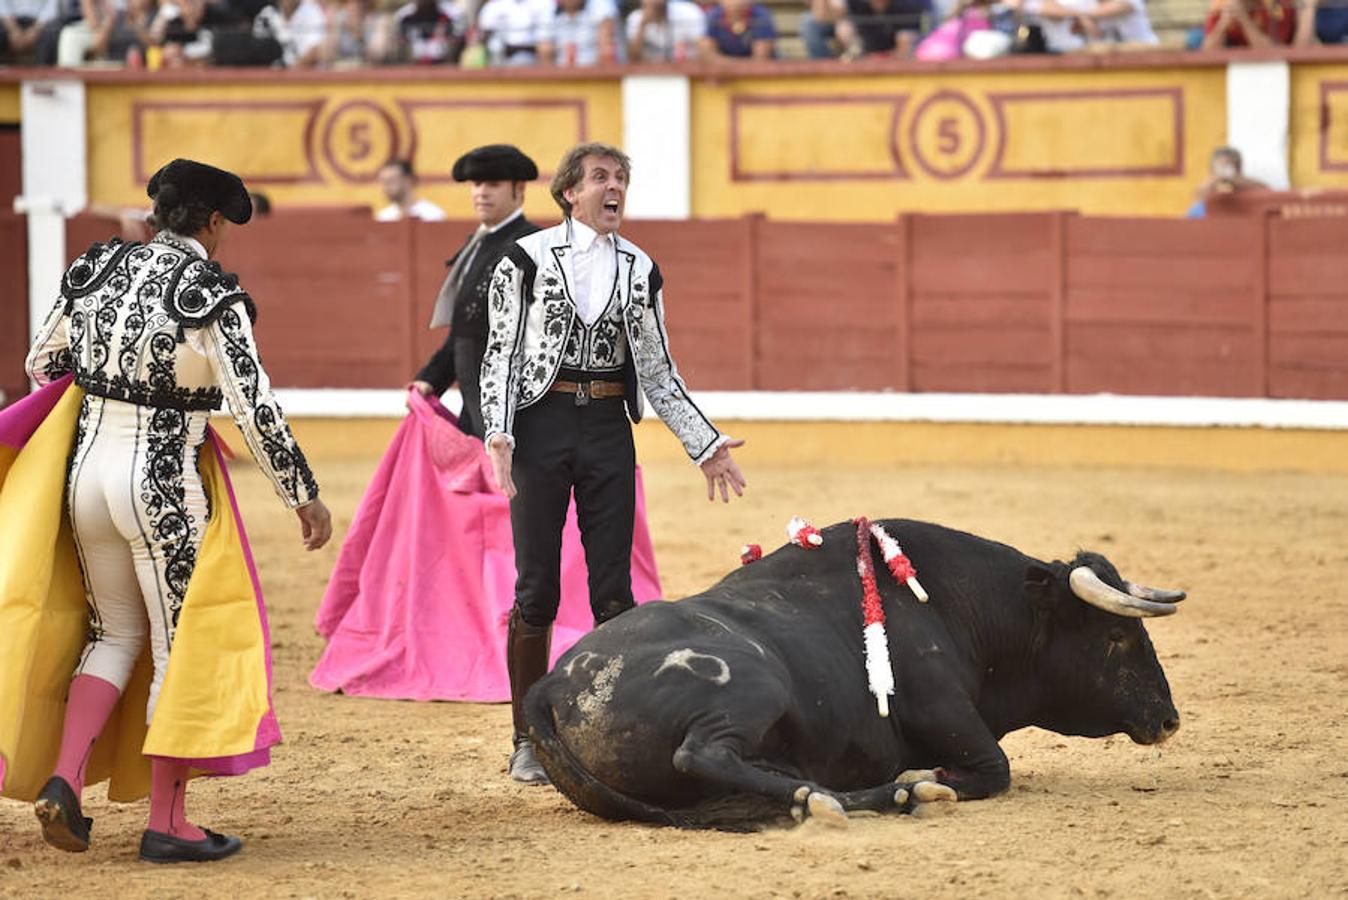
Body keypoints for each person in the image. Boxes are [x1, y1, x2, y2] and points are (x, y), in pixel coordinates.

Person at [19, 158, 331, 863]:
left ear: (159, 210)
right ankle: (168, 822)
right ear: (214, 223)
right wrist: (300, 493)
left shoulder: (95, 269)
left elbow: (43, 363)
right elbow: (253, 407)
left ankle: (64, 779)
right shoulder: (210, 294)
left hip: (85, 476)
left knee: (112, 634)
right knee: (173, 650)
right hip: (160, 486)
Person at [479, 141, 747, 784]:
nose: (614, 187)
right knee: (536, 589)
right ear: (570, 190)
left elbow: (656, 369)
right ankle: (527, 738)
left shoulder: (639, 268)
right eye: (601, 176)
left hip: (604, 428)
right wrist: (499, 433)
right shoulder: (525, 258)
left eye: (621, 177)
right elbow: (500, 355)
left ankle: (615, 732)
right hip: (540, 429)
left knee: (613, 595)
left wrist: (703, 444)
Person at [410, 144, 540, 438]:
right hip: (475, 406)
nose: (482, 192)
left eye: (493, 185)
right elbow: (464, 330)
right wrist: (431, 379)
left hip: (515, 410)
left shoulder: (533, 245)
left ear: (519, 190)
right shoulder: (478, 244)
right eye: (477, 184)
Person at [1186, 145, 1267, 218]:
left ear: (1238, 170)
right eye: (1221, 167)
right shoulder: (1200, 207)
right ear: (1212, 170)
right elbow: (1198, 195)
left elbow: (1265, 191)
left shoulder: (1248, 192)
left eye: (1228, 167)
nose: (1224, 172)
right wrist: (1213, 181)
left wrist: (1238, 180)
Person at [626, 0, 705, 60]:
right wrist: (643, 25)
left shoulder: (687, 11)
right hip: (651, 74)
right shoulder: (635, 18)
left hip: (688, 69)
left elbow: (703, 47)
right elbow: (632, 58)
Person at [374, 158, 449, 222]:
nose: (386, 187)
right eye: (384, 182)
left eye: (392, 181)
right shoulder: (383, 218)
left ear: (408, 180)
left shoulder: (432, 215)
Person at [700, 0, 776, 58]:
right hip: (722, 72)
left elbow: (760, 58)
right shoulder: (713, 16)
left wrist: (725, 65)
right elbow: (707, 55)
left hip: (757, 73)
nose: (737, 2)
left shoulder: (761, 16)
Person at [1201, 0, 1296, 47]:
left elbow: (1276, 55)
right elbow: (1207, 52)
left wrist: (1244, 20)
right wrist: (1223, 25)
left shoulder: (1275, 5)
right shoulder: (1220, 5)